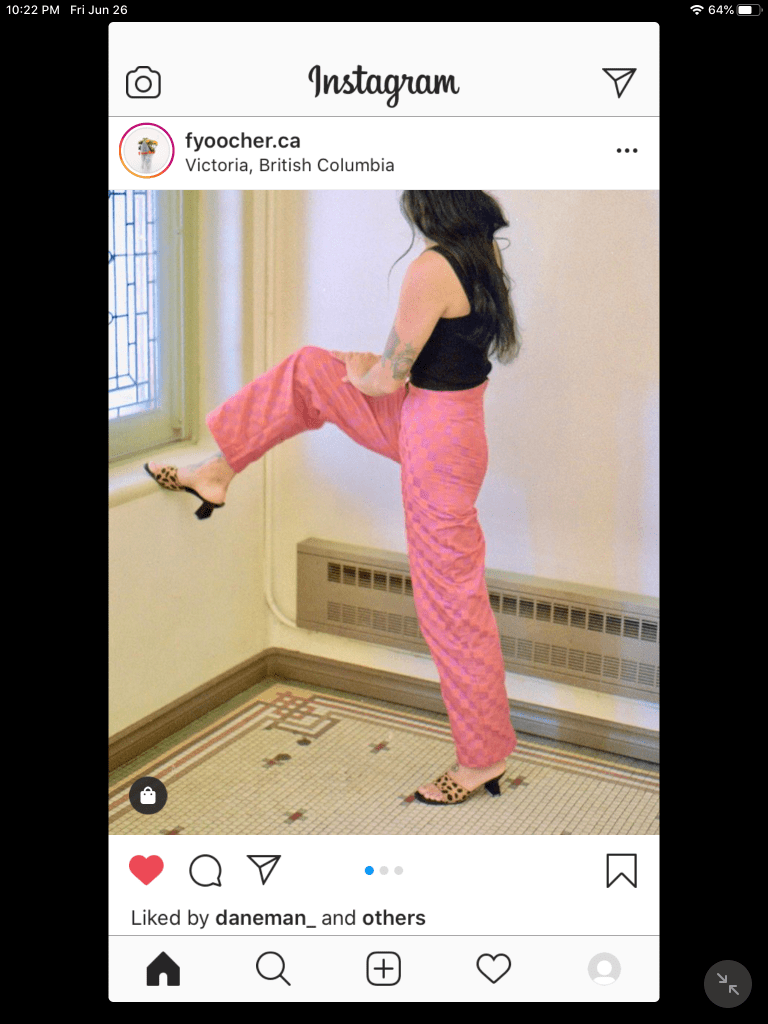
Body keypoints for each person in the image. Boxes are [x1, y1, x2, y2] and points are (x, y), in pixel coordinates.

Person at [146, 190, 522, 805]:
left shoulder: (431, 267)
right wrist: (351, 371)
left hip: (435, 443)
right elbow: (423, 364)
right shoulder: (482, 252)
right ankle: (218, 469)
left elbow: (386, 378)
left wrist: (361, 370)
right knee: (310, 371)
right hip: (441, 422)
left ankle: (483, 756)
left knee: (452, 607)